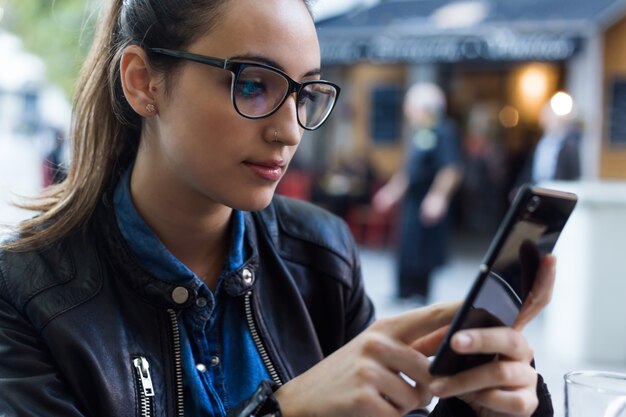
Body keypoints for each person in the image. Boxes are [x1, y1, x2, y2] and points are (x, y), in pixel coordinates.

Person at [0, 1, 555, 416]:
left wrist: (480, 398)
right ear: (143, 82)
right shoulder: (26, 293)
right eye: (254, 85)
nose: (289, 130)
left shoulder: (322, 254)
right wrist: (287, 410)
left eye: (305, 93)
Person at [373, 83, 463, 302]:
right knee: (406, 245)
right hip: (412, 199)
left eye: (410, 105)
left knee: (425, 249)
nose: (406, 110)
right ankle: (403, 291)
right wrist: (391, 192)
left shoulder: (444, 130)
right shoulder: (416, 131)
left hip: (428, 196)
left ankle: (421, 294)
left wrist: (438, 196)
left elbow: (451, 168)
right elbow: (408, 170)